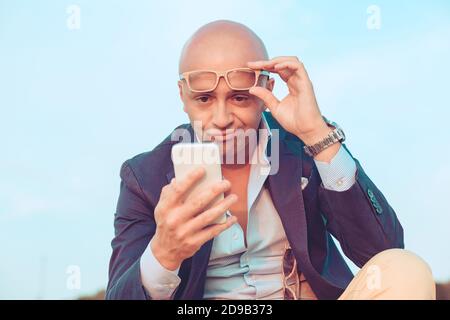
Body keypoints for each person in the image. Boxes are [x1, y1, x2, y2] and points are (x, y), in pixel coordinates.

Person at [106, 20, 435, 300]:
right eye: (204, 98)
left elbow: (382, 250)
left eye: (239, 97)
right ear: (183, 97)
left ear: (267, 88)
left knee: (407, 270)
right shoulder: (144, 177)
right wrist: (164, 253)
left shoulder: (301, 144)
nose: (221, 118)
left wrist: (318, 136)